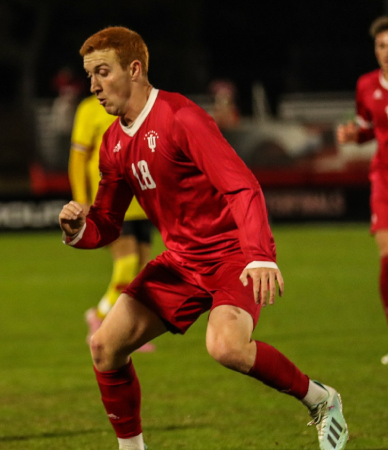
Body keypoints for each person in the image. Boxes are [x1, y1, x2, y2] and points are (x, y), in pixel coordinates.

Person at [59, 27, 347, 450]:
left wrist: (259, 255)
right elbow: (107, 222)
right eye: (90, 76)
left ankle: (321, 400)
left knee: (226, 347)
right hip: (180, 261)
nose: (94, 86)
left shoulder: (180, 117)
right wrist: (79, 229)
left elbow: (242, 186)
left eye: (103, 72)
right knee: (105, 347)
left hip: (231, 255)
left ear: (135, 69)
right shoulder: (113, 142)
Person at [69, 95, 154, 350]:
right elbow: (77, 158)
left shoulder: (142, 103)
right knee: (126, 264)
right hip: (109, 198)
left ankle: (127, 331)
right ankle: (101, 317)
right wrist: (81, 199)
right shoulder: (88, 109)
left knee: (141, 270)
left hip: (143, 198)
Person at [337, 16, 388, 365]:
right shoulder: (366, 84)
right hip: (383, 179)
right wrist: (353, 135)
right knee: (387, 255)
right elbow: (367, 128)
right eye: (381, 46)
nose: (386, 52)